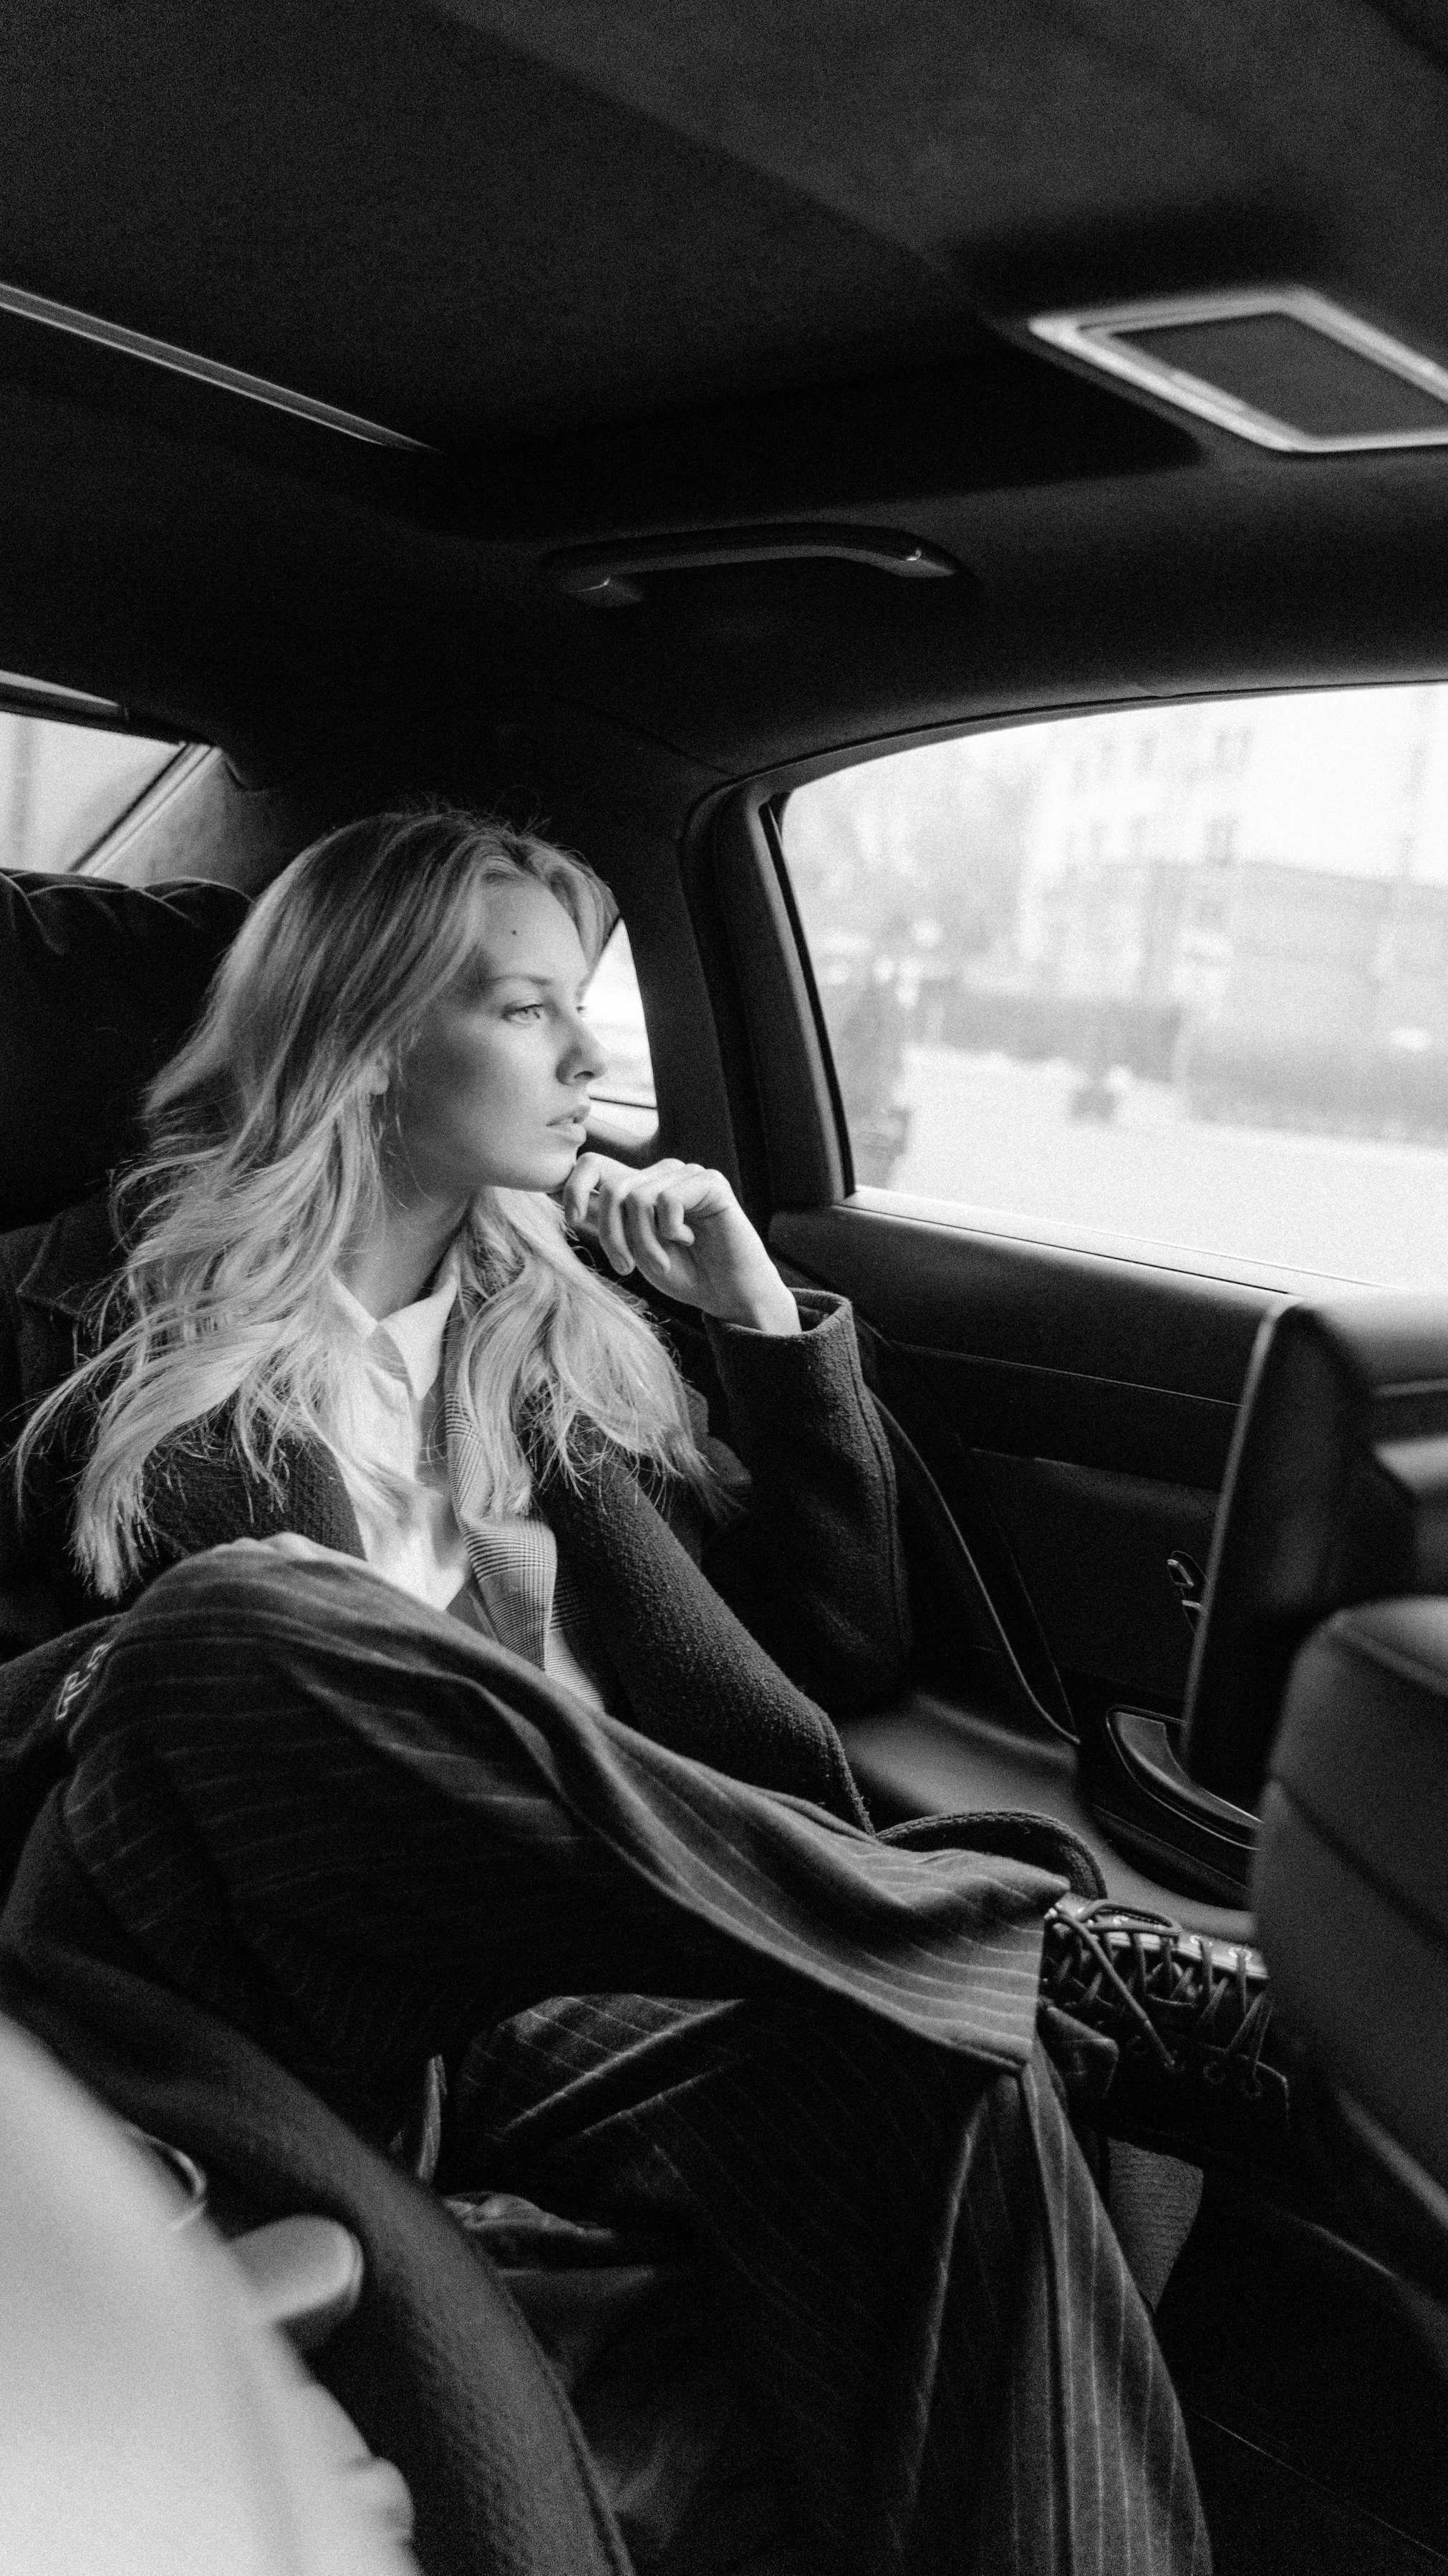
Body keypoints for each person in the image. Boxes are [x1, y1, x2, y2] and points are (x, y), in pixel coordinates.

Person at [0, 809, 1212, 2575]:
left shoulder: (560, 1336)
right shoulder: (58, 1315)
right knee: (242, 1620)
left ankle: (980, 1964)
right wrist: (134, 1663)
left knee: (954, 2089)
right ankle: (1018, 1943)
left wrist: (758, 1319)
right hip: (255, 1954)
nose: (588, 1056)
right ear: (360, 1029)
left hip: (580, 1975)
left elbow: (835, 1652)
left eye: (584, 1005)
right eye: (521, 1008)